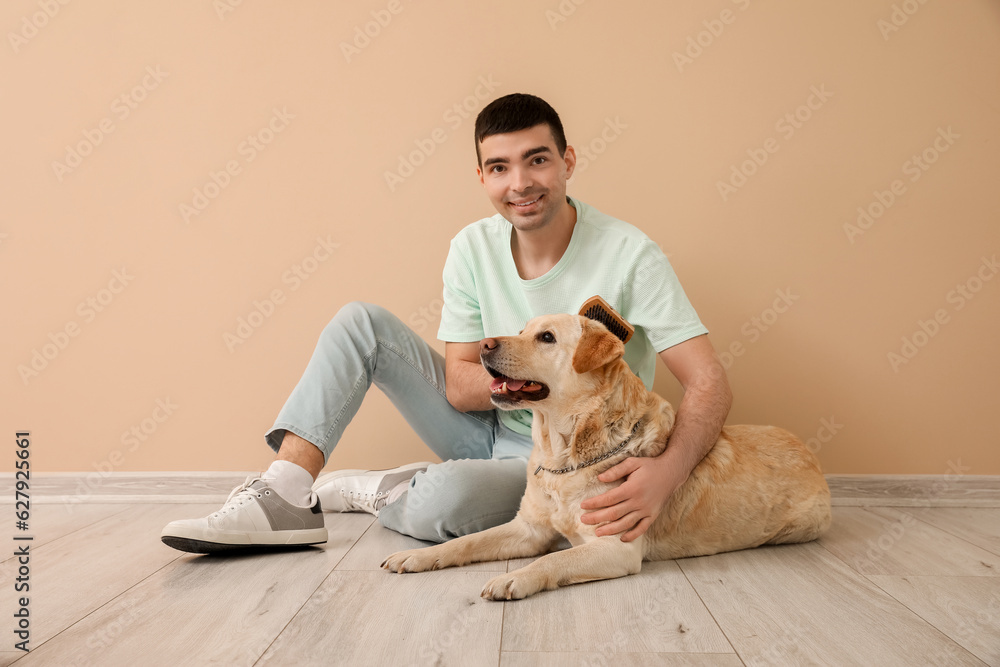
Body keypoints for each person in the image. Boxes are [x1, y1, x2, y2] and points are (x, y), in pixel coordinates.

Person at [160, 93, 732, 553]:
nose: (521, 184)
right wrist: (538, 377)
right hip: (478, 425)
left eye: (538, 159)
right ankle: (285, 491)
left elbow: (709, 383)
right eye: (500, 167)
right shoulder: (470, 248)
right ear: (482, 176)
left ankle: (386, 488)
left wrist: (668, 474)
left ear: (568, 162)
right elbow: (459, 387)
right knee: (360, 321)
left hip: (569, 459)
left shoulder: (632, 256)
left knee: (441, 506)